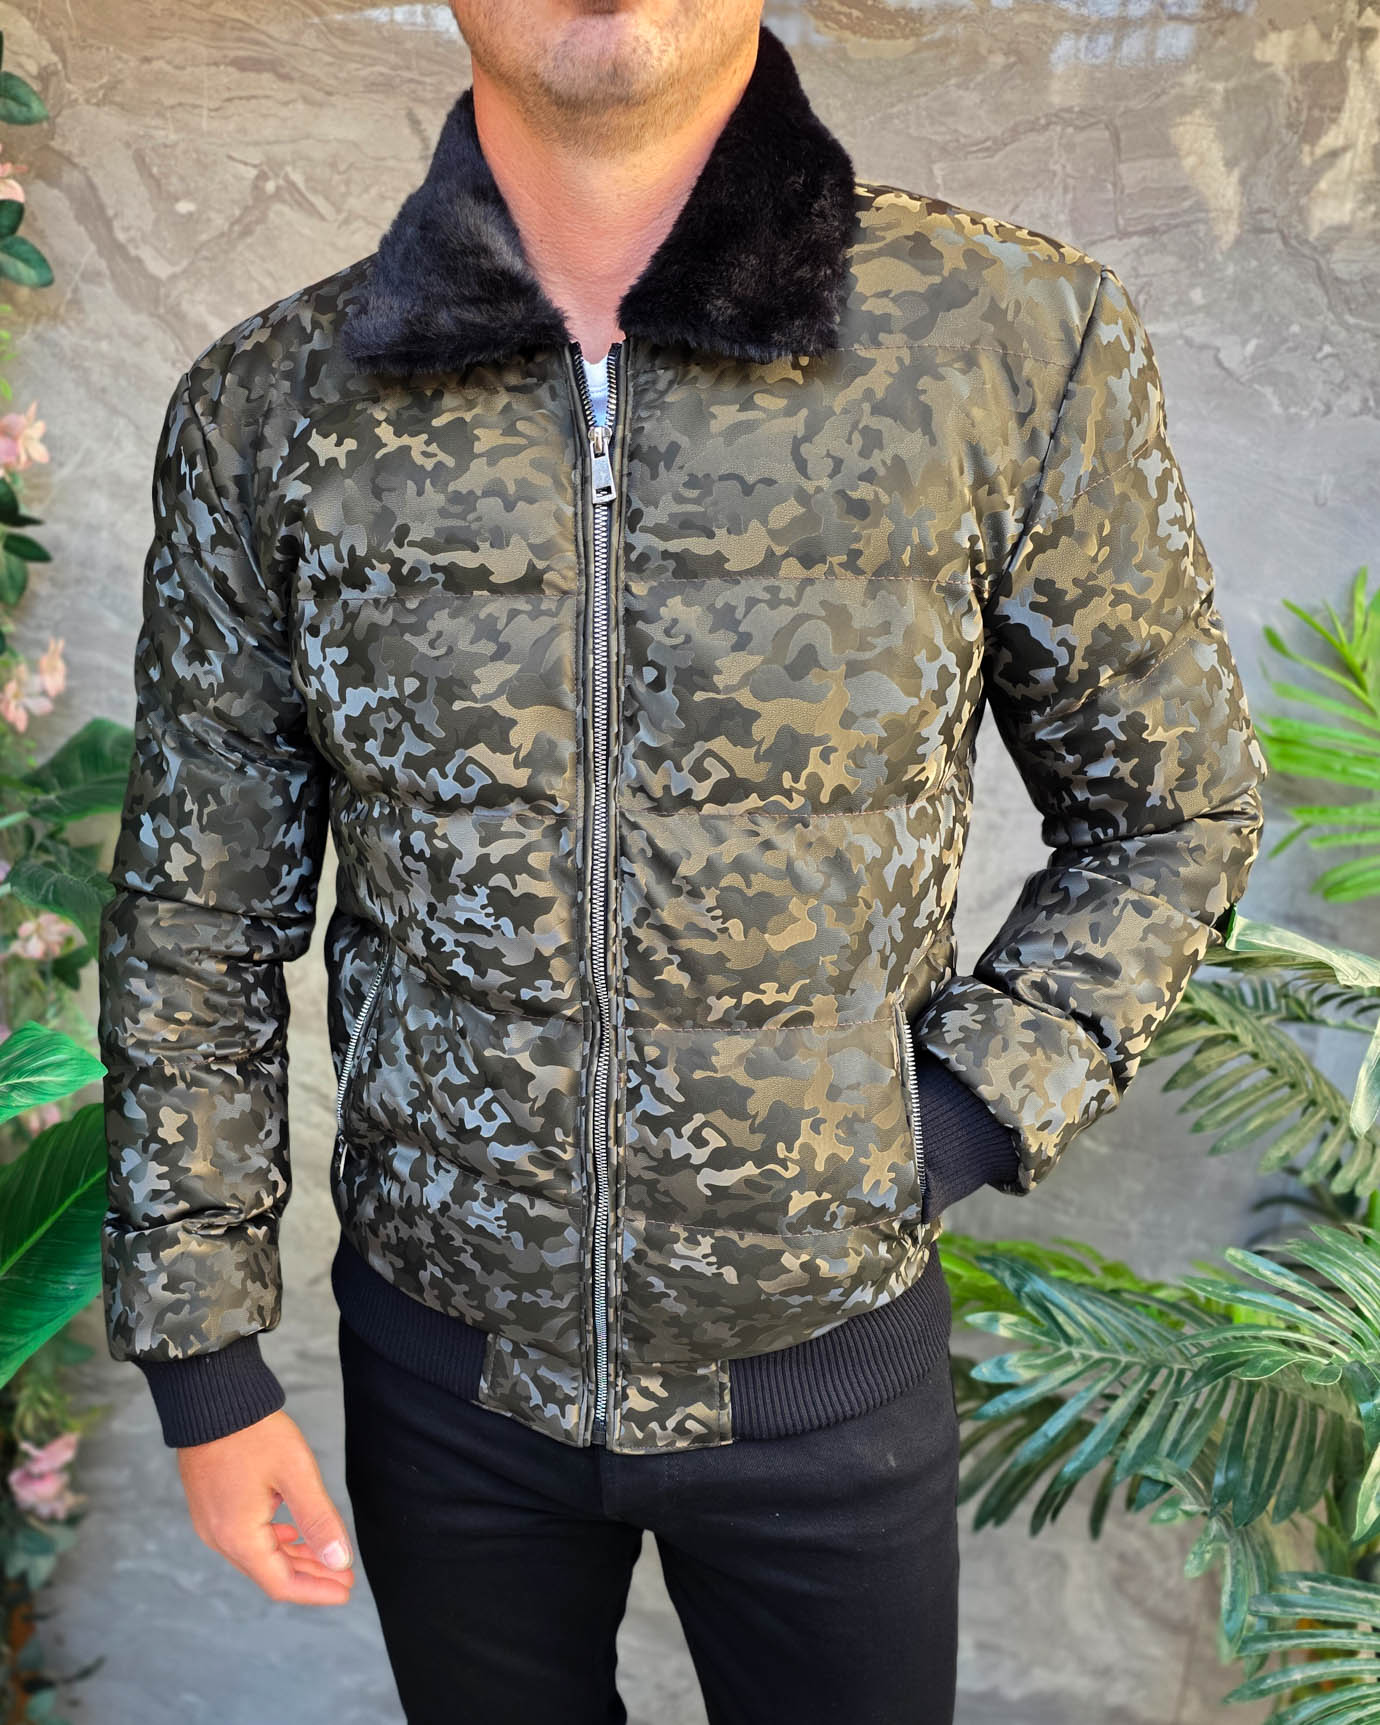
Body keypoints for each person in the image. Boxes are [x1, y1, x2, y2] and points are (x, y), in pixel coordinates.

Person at [96, 3, 1268, 1722]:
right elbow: (195, 910)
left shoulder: (1012, 342)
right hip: (443, 1388)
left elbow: (1174, 811)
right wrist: (204, 1360)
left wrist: (938, 1126)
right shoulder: (271, 407)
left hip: (829, 1386)